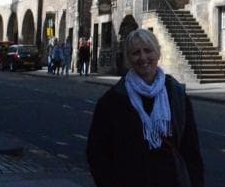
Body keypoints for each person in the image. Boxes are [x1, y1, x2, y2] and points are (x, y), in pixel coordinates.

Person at [87, 28, 204, 186]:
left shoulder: (176, 95)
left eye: (148, 50)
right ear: (128, 59)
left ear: (158, 53)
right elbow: (97, 153)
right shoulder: (112, 101)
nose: (143, 58)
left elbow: (191, 150)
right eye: (135, 53)